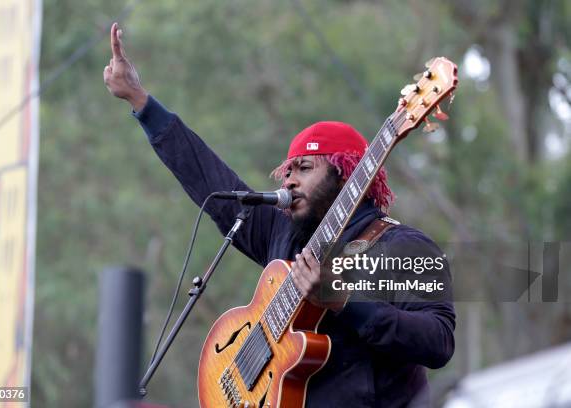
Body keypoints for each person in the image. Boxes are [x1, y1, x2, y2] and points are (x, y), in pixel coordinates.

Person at [104, 22, 455, 407]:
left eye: (304, 168)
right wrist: (141, 101)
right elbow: (208, 179)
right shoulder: (283, 233)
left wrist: (342, 301)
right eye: (286, 171)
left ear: (345, 173)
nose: (288, 181)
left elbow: (438, 340)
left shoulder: (400, 246)